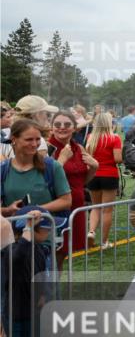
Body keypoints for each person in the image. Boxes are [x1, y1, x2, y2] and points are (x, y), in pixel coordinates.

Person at [0, 210, 52, 337]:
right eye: (46, 228)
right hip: (18, 311)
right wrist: (29, 228)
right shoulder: (14, 252)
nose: (51, 232)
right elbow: (19, 257)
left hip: (28, 309)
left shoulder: (37, 249)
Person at [47, 110, 99, 263]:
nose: (62, 127)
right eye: (57, 124)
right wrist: (61, 161)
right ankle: (47, 287)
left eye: (67, 124)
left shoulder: (78, 148)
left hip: (77, 208)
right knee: (52, 254)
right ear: (51, 128)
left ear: (75, 128)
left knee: (63, 255)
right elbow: (44, 182)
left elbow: (82, 181)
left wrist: (94, 168)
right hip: (57, 209)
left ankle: (55, 287)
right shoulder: (47, 149)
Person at [0, 119, 72, 220]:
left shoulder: (52, 166)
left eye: (38, 139)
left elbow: (66, 201)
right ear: (14, 139)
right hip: (13, 232)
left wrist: (37, 210)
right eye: (29, 139)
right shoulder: (3, 170)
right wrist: (8, 210)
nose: (34, 144)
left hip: (45, 232)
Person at [84, 112, 122, 250]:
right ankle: (104, 242)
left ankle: (91, 231)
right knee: (107, 210)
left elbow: (87, 158)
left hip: (93, 175)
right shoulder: (114, 138)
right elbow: (118, 159)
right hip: (109, 175)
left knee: (95, 207)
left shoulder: (90, 138)